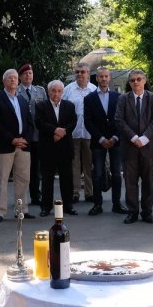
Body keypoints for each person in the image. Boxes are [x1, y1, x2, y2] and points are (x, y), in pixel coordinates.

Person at [0, 68, 35, 222]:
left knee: (23, 180)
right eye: (10, 78)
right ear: (4, 81)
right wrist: (12, 139)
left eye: (15, 78)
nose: (13, 80)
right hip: (4, 145)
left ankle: (21, 209)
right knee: (1, 180)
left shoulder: (22, 100)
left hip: (23, 146)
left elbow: (29, 123)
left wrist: (24, 139)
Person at [116, 68, 153, 223]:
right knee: (130, 182)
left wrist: (144, 138)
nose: (136, 82)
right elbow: (119, 120)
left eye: (139, 79)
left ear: (145, 80)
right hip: (129, 147)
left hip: (148, 147)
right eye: (133, 80)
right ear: (129, 83)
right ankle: (132, 212)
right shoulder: (123, 98)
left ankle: (147, 212)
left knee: (148, 182)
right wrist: (134, 138)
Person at [83, 66, 125, 215]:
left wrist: (115, 137)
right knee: (98, 174)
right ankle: (97, 204)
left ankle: (117, 204)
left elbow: (122, 119)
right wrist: (100, 138)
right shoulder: (89, 98)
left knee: (116, 174)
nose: (103, 79)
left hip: (115, 140)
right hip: (98, 141)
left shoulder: (118, 97)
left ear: (110, 78)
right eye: (101, 76)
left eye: (106, 76)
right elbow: (88, 121)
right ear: (96, 78)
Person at [34, 81, 79, 216]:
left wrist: (63, 132)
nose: (56, 94)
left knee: (67, 178)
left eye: (59, 91)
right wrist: (54, 131)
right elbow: (39, 122)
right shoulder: (41, 106)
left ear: (62, 92)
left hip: (65, 147)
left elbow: (73, 122)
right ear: (48, 92)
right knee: (47, 179)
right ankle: (46, 207)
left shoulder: (69, 106)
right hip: (48, 147)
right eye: (54, 91)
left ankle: (68, 206)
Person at [62, 63, 96, 204]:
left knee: (89, 164)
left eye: (83, 72)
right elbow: (62, 110)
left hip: (89, 133)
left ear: (88, 73)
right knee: (74, 164)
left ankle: (89, 192)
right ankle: (75, 192)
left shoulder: (94, 90)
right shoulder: (68, 89)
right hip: (73, 133)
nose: (80, 74)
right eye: (77, 72)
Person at [17, 63, 48, 207]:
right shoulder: (15, 91)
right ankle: (22, 198)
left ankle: (36, 195)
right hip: (23, 135)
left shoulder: (40, 91)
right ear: (20, 76)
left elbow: (45, 112)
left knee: (36, 168)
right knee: (22, 169)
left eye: (30, 73)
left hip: (38, 135)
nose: (28, 76)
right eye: (25, 74)